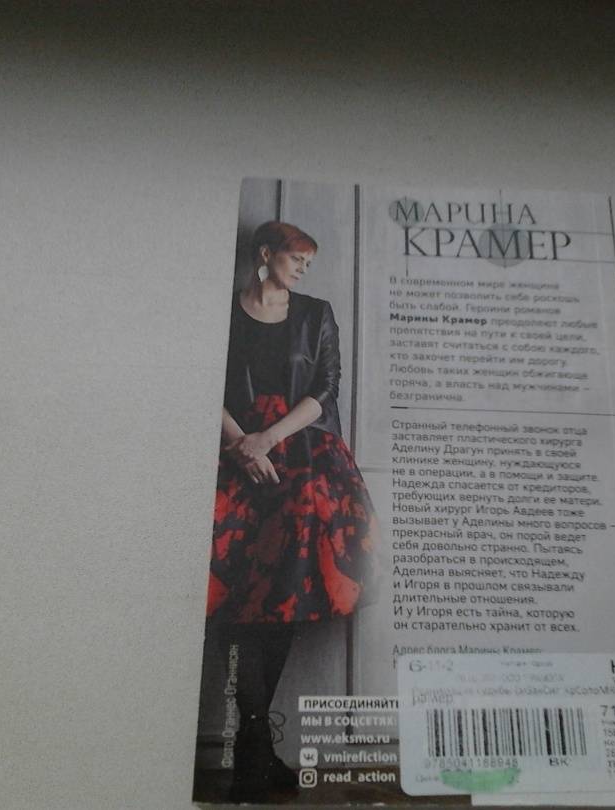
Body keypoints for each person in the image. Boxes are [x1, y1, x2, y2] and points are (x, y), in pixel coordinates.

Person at [206, 220, 379, 801]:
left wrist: (266, 440)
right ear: (266, 254)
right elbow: (201, 382)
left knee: (286, 593)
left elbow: (325, 389)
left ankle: (253, 746)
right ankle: (256, 746)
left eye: (309, 261)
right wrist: (241, 445)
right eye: (296, 258)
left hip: (301, 457)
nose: (303, 269)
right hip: (231, 456)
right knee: (233, 595)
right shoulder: (221, 310)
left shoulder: (315, 313)